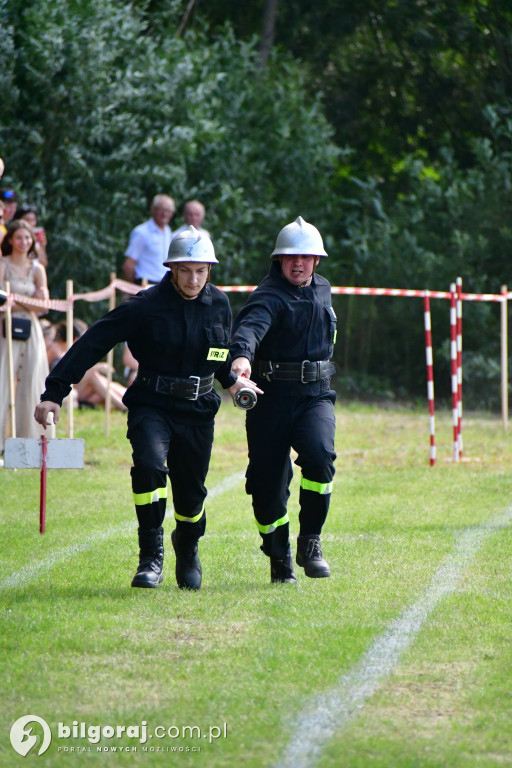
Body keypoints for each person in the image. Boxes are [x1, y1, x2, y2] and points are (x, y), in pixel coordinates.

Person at [34, 226, 261, 591]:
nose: (193, 278)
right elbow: (93, 342)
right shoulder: (144, 306)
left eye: (201, 270)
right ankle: (150, 554)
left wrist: (233, 381)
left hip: (198, 410)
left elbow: (218, 355)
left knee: (191, 493)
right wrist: (54, 391)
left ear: (210, 270)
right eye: (185, 270)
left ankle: (187, 546)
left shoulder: (218, 304)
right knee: (150, 466)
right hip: (152, 403)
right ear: (171, 268)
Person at [230, 216, 337, 584]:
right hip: (270, 399)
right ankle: (279, 558)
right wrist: (242, 358)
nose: (298, 263)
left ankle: (310, 540)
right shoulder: (267, 295)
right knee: (267, 485)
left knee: (321, 458)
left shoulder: (322, 289)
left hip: (315, 397)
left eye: (306, 257)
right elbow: (249, 329)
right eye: (290, 257)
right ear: (278, 260)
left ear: (316, 261)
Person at [0, 220, 54, 454]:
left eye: (27, 238)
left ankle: (32, 439)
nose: (24, 242)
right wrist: (27, 301)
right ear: (10, 239)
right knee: (3, 377)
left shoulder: (37, 269)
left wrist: (21, 301)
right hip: (6, 325)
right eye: (19, 237)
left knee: (33, 378)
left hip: (30, 327)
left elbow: (44, 306)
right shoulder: (3, 265)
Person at [47, 320, 127, 411]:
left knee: (100, 384)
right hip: (62, 387)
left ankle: (127, 399)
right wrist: (97, 367)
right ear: (76, 339)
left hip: (74, 386)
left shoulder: (68, 351)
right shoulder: (55, 350)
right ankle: (123, 405)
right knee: (92, 375)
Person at [122, 194, 175, 284]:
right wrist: (131, 289)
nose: (164, 214)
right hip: (145, 285)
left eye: (168, 211)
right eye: (161, 209)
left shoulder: (168, 231)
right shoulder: (142, 232)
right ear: (153, 209)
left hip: (164, 284)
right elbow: (128, 265)